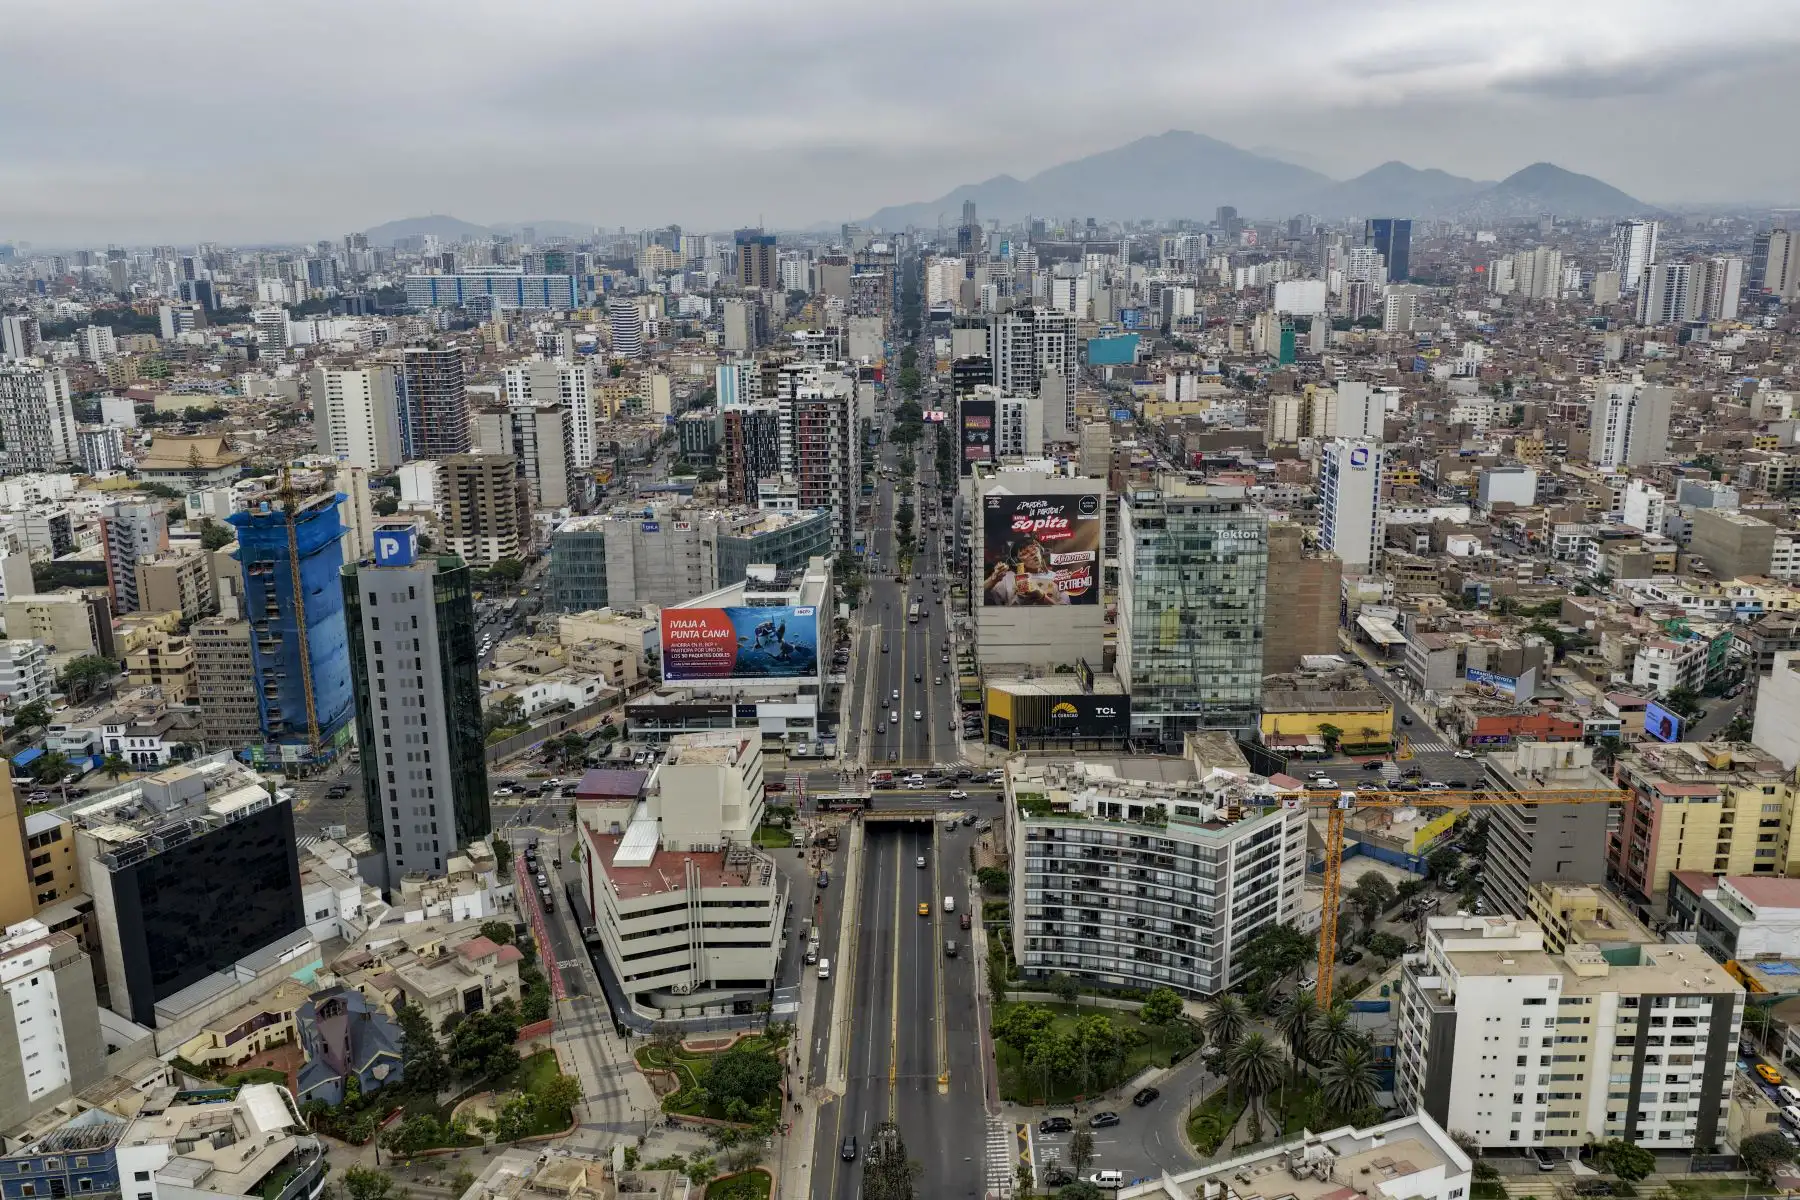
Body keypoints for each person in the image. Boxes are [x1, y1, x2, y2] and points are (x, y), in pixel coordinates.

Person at [983, 536, 1068, 606]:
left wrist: (1042, 598)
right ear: (1016, 561)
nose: (1032, 554)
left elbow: (1066, 611)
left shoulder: (1056, 577)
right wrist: (992, 580)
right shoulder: (1007, 578)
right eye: (1024, 553)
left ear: (1040, 550)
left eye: (1034, 549)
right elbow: (980, 597)